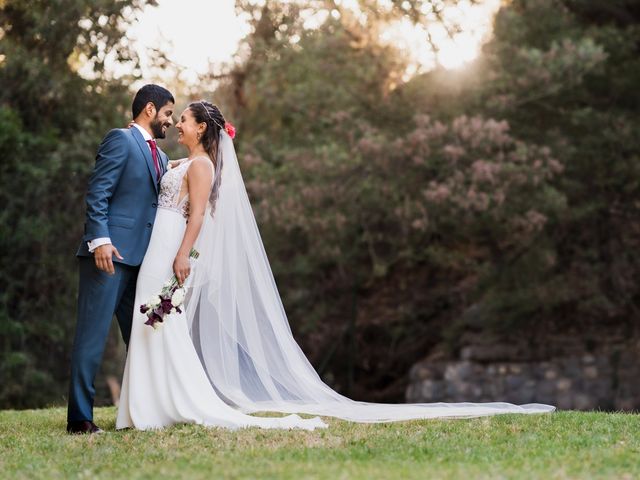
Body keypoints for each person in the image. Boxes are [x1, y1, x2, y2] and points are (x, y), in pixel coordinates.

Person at [116, 101, 555, 432]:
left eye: (186, 119)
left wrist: (181, 255)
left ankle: (169, 403)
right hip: (160, 243)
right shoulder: (189, 161)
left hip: (172, 246)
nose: (179, 125)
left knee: (159, 319)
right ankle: (149, 402)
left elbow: (196, 216)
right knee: (153, 318)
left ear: (202, 127)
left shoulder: (204, 165)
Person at [67, 84, 175, 434]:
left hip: (142, 263)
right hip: (108, 256)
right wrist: (100, 239)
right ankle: (80, 418)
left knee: (142, 337)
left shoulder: (159, 157)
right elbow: (98, 191)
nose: (170, 121)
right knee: (92, 337)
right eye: (168, 113)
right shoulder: (120, 139)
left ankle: (143, 409)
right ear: (149, 109)